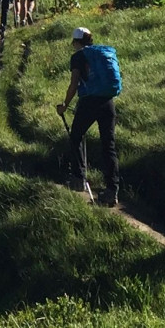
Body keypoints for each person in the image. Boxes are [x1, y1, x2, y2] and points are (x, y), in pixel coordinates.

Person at [56, 27, 123, 206]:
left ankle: (78, 178)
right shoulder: (102, 53)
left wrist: (65, 105)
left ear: (76, 42)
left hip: (89, 102)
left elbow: (74, 83)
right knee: (108, 146)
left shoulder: (78, 56)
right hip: (108, 102)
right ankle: (112, 190)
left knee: (76, 136)